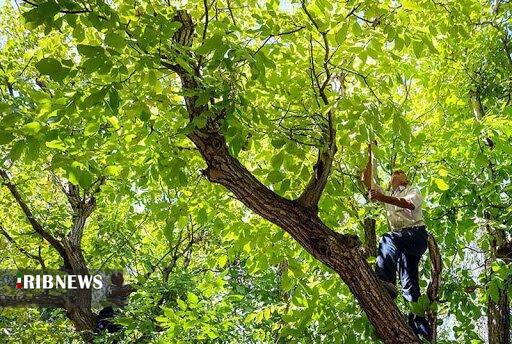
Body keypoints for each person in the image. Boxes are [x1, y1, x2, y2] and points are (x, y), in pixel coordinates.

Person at [362, 166, 432, 340]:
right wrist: (370, 154)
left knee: (388, 239)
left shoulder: (411, 190)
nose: (395, 175)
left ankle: (384, 280)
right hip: (402, 244)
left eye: (399, 173)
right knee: (409, 285)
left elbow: (409, 204)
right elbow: (366, 180)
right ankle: (421, 330)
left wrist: (382, 197)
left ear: (405, 178)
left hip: (415, 235)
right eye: (393, 173)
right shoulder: (388, 195)